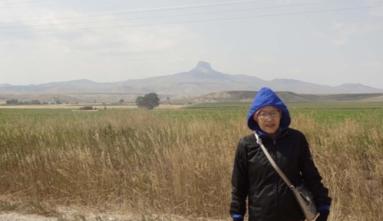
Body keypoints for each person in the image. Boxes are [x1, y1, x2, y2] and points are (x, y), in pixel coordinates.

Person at [230, 87, 331, 221]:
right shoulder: (246, 145)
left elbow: (310, 175)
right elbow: (239, 185)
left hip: (293, 215)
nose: (269, 118)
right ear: (255, 117)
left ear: (281, 114)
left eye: (273, 113)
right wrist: (237, 214)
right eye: (263, 114)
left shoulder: (296, 139)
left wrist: (323, 204)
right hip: (260, 216)